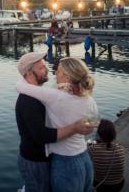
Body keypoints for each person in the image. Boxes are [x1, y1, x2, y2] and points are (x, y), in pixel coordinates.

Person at [16, 56, 98, 192]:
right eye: (42, 68)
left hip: (65, 161)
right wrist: (77, 128)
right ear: (29, 73)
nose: (51, 71)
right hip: (82, 157)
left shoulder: (54, 96)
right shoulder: (88, 98)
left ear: (67, 77)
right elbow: (94, 123)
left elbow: (19, 86)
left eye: (58, 71)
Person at [88, 119, 125, 191]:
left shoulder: (92, 149)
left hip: (101, 186)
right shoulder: (120, 147)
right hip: (118, 185)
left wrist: (90, 145)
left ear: (98, 134)